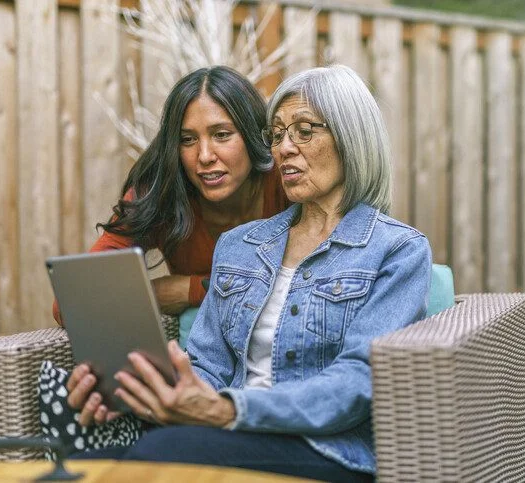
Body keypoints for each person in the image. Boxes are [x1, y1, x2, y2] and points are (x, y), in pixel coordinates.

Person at [60, 65, 432, 481]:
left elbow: (356, 382)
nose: (284, 148)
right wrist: (146, 392)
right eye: (277, 135)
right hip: (230, 434)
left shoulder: (398, 250)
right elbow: (207, 364)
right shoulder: (241, 245)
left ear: (351, 137)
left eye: (304, 131)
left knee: (161, 453)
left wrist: (228, 409)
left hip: (330, 450)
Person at [52, 66, 289, 332]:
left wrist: (184, 289)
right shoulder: (162, 192)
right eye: (188, 140)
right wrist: (190, 292)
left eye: (222, 135)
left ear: (253, 134)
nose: (205, 156)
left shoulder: (286, 181)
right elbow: (69, 305)